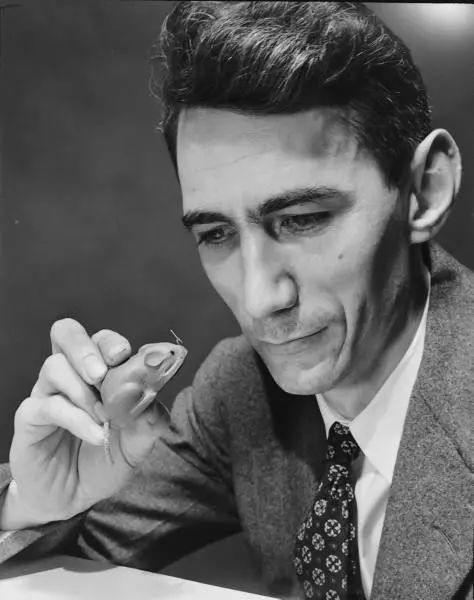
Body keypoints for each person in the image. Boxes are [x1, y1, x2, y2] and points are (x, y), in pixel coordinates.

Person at [0, 2, 472, 599]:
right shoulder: (241, 388)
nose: (258, 299)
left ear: (425, 189)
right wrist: (32, 502)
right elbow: (69, 569)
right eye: (216, 234)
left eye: (303, 218)